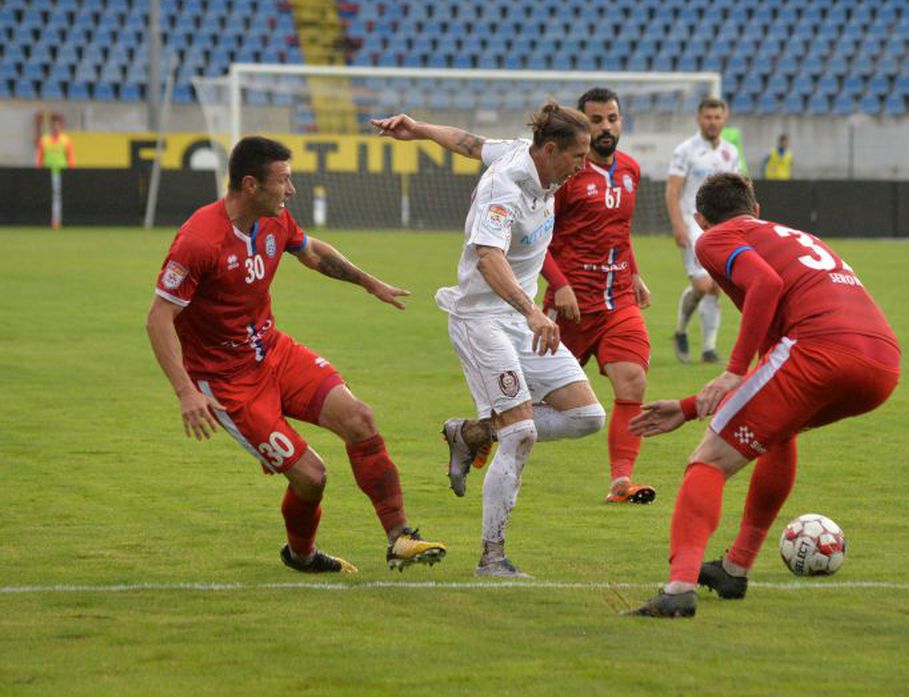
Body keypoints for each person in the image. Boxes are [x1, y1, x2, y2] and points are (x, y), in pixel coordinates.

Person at [146, 136, 447, 575]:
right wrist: (185, 392)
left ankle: (399, 536)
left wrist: (368, 282)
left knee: (359, 418)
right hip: (228, 381)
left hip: (274, 352)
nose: (291, 190)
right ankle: (301, 555)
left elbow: (312, 251)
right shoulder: (199, 240)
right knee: (311, 477)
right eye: (284, 180)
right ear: (251, 185)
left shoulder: (274, 219)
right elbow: (158, 318)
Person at [625, 173, 901, 618]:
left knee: (708, 462)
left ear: (699, 219)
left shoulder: (715, 239)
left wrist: (732, 372)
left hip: (820, 349)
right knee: (778, 429)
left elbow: (766, 286)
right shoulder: (797, 236)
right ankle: (735, 569)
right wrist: (690, 407)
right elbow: (774, 365)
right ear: (756, 209)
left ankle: (678, 589)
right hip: (883, 364)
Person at [372, 103, 607, 578]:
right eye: (577, 156)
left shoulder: (528, 157)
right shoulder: (507, 186)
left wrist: (418, 128)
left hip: (519, 317)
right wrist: (534, 311)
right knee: (521, 431)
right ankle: (492, 557)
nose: (584, 165)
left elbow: (471, 144)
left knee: (586, 416)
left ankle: (472, 433)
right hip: (482, 319)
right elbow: (488, 259)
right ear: (550, 149)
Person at [539, 87, 656, 504]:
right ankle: (478, 433)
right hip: (568, 308)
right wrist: (560, 284)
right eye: (596, 120)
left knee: (633, 382)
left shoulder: (631, 170)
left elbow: (619, 232)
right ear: (581, 125)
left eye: (612, 119)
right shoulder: (566, 174)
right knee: (532, 401)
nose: (606, 127)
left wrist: (636, 274)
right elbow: (537, 239)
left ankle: (622, 482)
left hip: (618, 301)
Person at [666, 97, 742, 365]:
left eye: (717, 117)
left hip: (722, 228)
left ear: (724, 118)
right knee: (701, 284)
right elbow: (673, 189)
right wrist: (678, 225)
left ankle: (708, 349)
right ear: (699, 119)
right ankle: (681, 330)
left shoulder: (731, 152)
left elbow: (738, 190)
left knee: (715, 286)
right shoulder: (685, 150)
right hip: (693, 224)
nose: (713, 122)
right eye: (708, 117)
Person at [35, 113, 74, 230]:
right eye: (53, 125)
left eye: (58, 125)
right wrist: (38, 172)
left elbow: (70, 158)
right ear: (51, 126)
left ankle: (56, 221)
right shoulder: (44, 140)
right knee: (48, 198)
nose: (56, 127)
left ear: (61, 126)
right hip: (47, 173)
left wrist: (71, 172)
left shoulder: (66, 141)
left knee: (57, 198)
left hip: (61, 173)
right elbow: (40, 158)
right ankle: (45, 220)